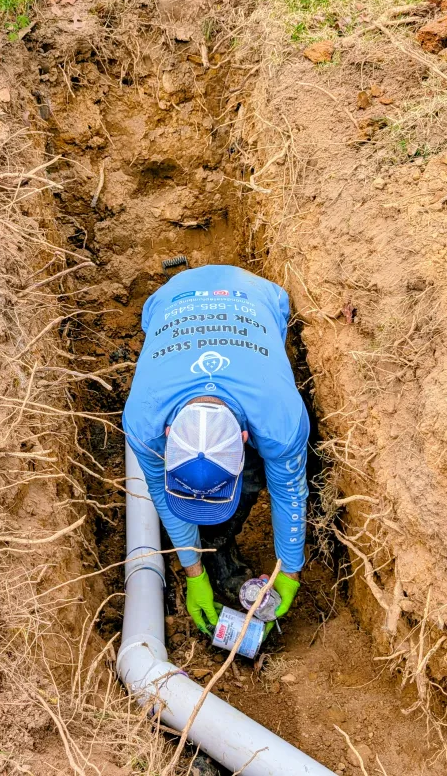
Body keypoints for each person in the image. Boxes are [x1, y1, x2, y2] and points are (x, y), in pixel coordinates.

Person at [123, 264, 309, 636]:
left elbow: (289, 492)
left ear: (244, 441)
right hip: (169, 299)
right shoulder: (143, 420)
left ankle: (232, 508)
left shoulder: (280, 419)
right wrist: (195, 573)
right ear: (169, 435)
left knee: (269, 468)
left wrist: (290, 572)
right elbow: (161, 492)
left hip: (258, 297)